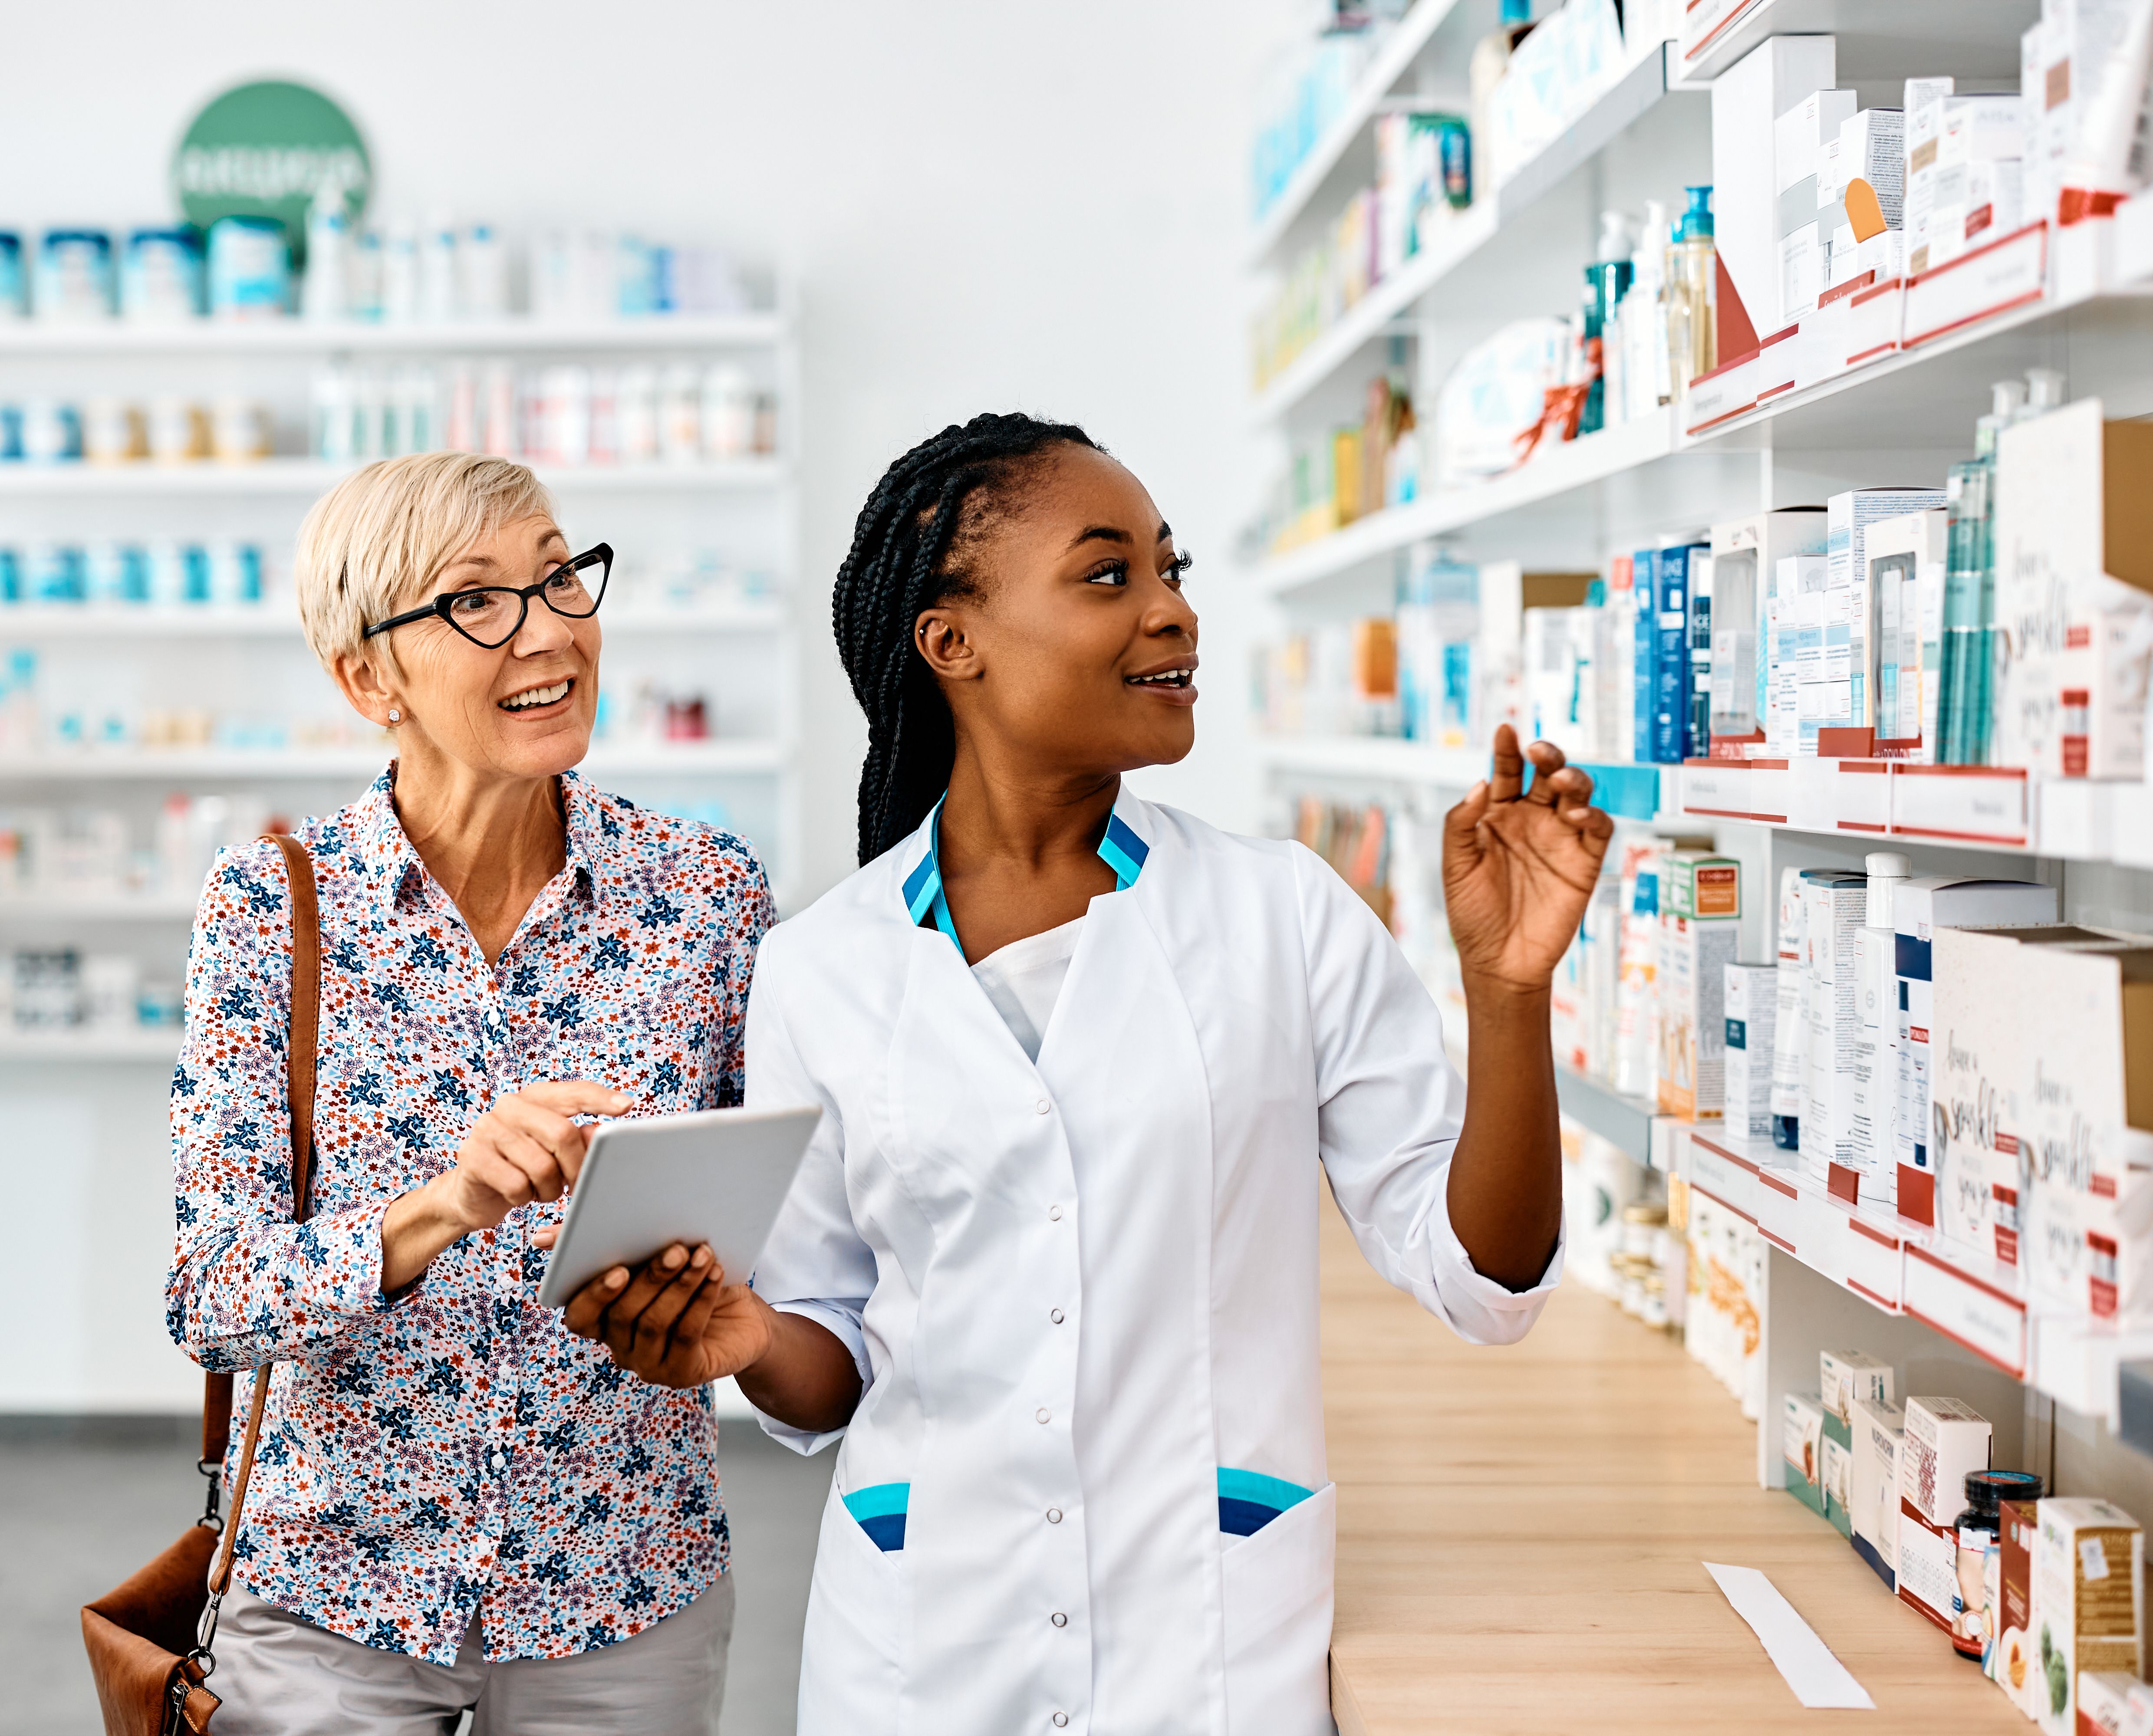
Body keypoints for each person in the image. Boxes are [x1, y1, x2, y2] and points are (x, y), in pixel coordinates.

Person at [557, 413, 1608, 1733]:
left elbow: (1483, 1281)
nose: (1172, 615)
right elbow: (827, 1365)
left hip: (1210, 1635)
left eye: (1172, 573)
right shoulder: (825, 966)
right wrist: (749, 1342)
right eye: (1110, 575)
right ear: (953, 641)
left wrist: (1509, 995)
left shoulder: (1278, 912)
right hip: (924, 1648)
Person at [168, 453, 771, 1736]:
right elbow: (210, 1299)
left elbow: (787, 1227)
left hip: (624, 1589)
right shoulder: (272, 908)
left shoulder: (707, 896)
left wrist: (715, 1289)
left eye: (560, 578)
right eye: (476, 601)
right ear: (367, 677)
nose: (549, 628)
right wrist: (441, 1206)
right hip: (337, 1601)